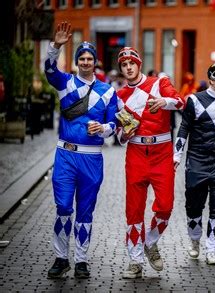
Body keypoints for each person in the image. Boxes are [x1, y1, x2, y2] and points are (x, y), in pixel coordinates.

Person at [44, 22, 118, 279]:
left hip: (91, 157)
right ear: (77, 61)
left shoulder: (108, 91)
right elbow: (49, 70)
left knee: (85, 211)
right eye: (82, 58)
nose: (86, 62)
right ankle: (61, 257)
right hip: (65, 155)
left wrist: (104, 128)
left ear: (95, 62)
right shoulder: (65, 83)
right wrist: (55, 46)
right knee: (63, 206)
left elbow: (115, 124)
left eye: (89, 58)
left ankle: (82, 260)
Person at [116, 47, 185, 279]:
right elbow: (119, 134)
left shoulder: (159, 82)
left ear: (138, 64)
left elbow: (180, 102)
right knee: (133, 209)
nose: (128, 67)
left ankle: (150, 242)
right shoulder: (120, 96)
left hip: (161, 152)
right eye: (124, 64)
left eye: (131, 63)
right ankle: (135, 261)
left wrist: (163, 102)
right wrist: (125, 134)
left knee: (165, 206)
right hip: (136, 153)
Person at [173, 62, 215, 265]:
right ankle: (195, 241)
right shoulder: (194, 100)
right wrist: (177, 155)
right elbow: (184, 128)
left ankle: (213, 249)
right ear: (211, 80)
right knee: (194, 206)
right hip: (196, 159)